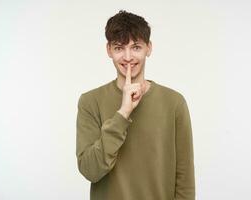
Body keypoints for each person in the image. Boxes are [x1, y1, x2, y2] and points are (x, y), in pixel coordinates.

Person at [76, 10, 195, 200]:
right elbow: (90, 170)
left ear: (149, 48)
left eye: (136, 47)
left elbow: (185, 180)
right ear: (109, 50)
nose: (128, 57)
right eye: (119, 48)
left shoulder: (174, 103)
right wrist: (123, 113)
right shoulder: (90, 102)